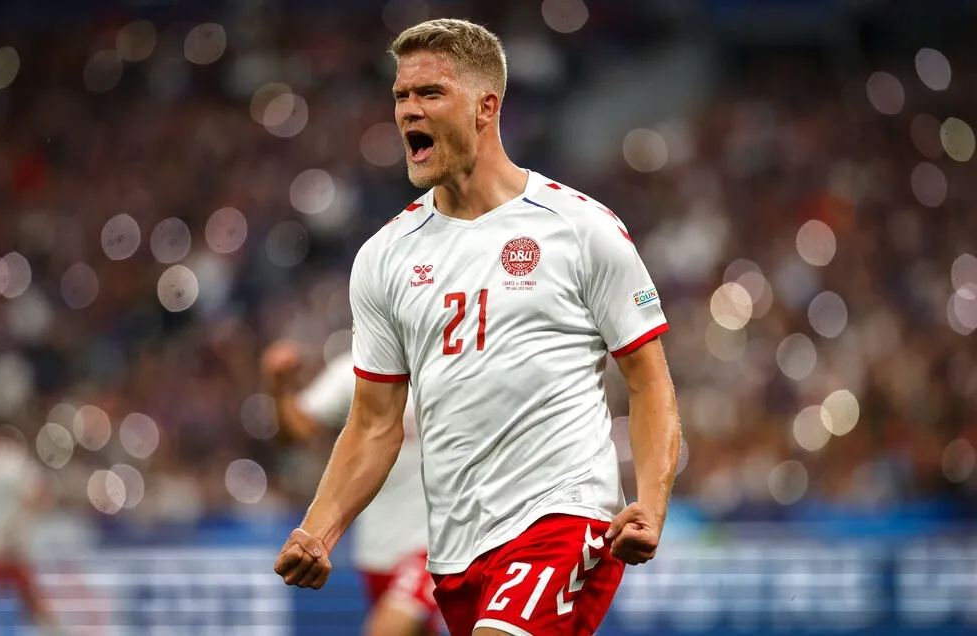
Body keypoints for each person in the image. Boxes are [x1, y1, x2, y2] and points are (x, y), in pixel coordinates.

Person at [274, 18, 682, 636]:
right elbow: (374, 423)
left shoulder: (580, 228)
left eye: (430, 93)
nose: (409, 110)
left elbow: (649, 382)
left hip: (565, 520)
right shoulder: (385, 257)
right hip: (456, 552)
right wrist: (318, 530)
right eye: (401, 96)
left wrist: (649, 505)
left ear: (486, 108)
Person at [261, 341, 442, 635]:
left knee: (387, 629)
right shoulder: (358, 370)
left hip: (434, 544)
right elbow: (297, 430)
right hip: (377, 550)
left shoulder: (448, 364)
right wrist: (279, 387)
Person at [0, 421, 64, 636]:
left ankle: (56, 631)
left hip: (12, 541)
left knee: (22, 596)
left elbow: (37, 492)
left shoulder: (10, 459)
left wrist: (19, 525)